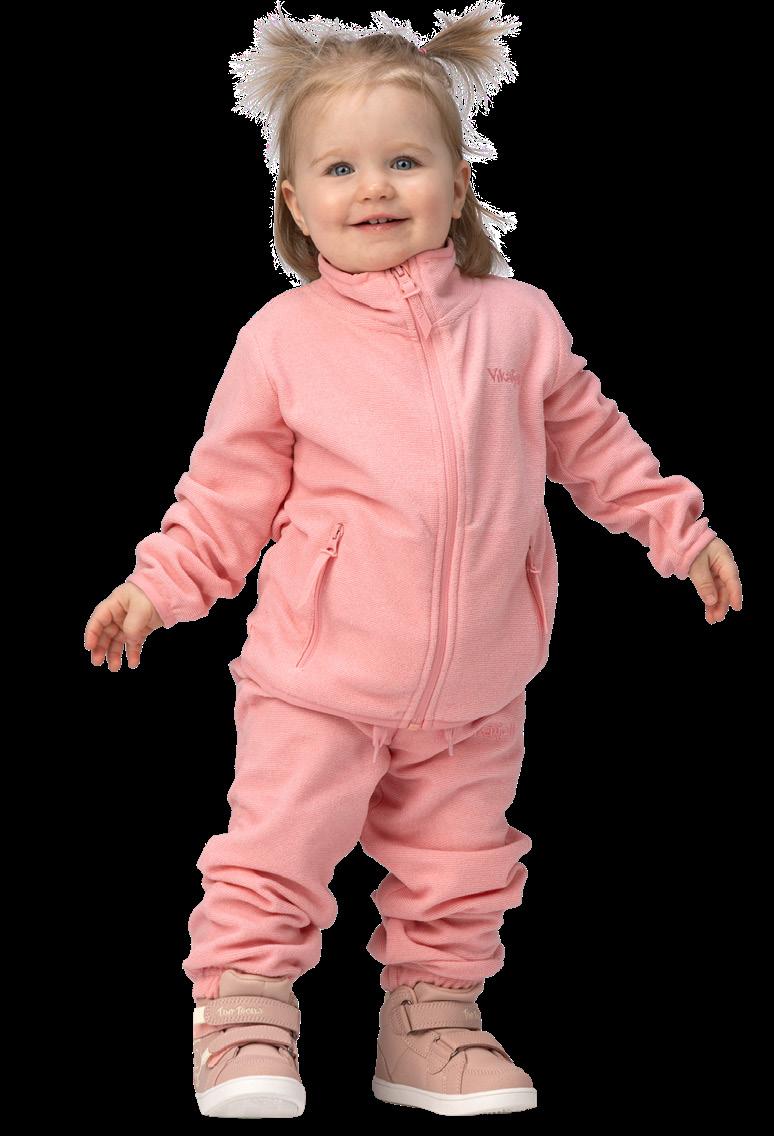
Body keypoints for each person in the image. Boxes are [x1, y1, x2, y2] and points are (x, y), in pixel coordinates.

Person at [83, 1, 743, 1119]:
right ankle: (243, 1019)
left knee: (461, 866)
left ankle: (431, 1029)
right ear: (296, 203)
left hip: (481, 683)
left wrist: (680, 531)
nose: (375, 188)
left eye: (404, 160)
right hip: (317, 677)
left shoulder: (519, 322)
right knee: (276, 849)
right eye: (340, 168)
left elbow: (597, 446)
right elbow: (224, 497)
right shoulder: (281, 342)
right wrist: (158, 585)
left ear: (457, 183)